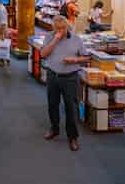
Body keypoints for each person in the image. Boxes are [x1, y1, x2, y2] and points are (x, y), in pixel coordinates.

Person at [40, 15, 90, 151]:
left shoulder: (76, 39)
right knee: (52, 104)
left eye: (63, 28)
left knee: (71, 107)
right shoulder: (49, 36)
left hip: (70, 77)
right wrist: (55, 40)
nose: (61, 31)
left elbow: (86, 57)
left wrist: (75, 60)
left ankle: (72, 137)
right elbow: (43, 54)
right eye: (58, 29)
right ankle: (54, 128)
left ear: (67, 26)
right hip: (53, 75)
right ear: (53, 28)